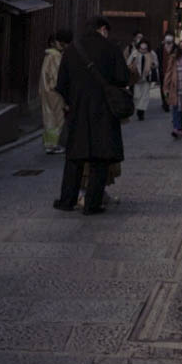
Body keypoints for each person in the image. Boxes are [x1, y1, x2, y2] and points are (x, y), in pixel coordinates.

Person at [53, 14, 130, 215]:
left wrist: (72, 101)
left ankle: (67, 200)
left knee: (74, 158)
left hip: (77, 111)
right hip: (104, 111)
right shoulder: (111, 48)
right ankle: (92, 204)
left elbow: (60, 84)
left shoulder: (71, 50)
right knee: (100, 158)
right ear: (103, 29)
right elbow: (123, 78)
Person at [39, 29, 71, 153]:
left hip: (46, 91)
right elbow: (57, 76)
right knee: (57, 119)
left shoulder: (49, 55)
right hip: (54, 92)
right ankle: (53, 145)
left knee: (48, 118)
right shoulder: (55, 56)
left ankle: (49, 143)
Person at [129, 38, 158, 120]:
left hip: (147, 77)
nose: (143, 51)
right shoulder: (135, 53)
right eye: (142, 49)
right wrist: (132, 65)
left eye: (145, 49)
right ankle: (138, 108)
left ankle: (141, 112)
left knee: (145, 96)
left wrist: (153, 65)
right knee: (137, 95)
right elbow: (128, 63)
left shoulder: (151, 53)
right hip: (137, 78)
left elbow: (156, 63)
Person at [158, 32, 175, 111]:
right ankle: (165, 103)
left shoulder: (176, 48)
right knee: (163, 87)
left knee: (172, 87)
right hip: (163, 71)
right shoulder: (160, 48)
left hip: (172, 72)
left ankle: (169, 101)